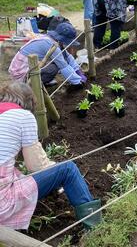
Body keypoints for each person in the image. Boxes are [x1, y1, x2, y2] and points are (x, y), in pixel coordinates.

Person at [0, 82, 101, 230]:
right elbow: (36, 166)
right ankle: (96, 228)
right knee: (68, 169)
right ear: (28, 102)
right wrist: (53, 168)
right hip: (2, 202)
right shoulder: (23, 116)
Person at [9, 22, 86, 89]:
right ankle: (35, 85)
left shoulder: (52, 40)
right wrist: (77, 81)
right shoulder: (51, 44)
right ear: (63, 39)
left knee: (56, 62)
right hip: (21, 74)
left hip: (26, 68)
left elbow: (67, 56)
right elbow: (63, 66)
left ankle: (42, 81)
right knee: (55, 67)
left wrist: (78, 71)